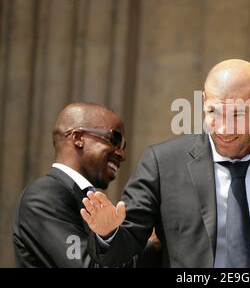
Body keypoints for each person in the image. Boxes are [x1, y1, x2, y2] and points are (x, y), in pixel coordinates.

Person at [82, 59, 250, 268]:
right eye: (214, 112)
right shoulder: (163, 163)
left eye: (237, 114)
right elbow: (125, 247)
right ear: (204, 102)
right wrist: (107, 234)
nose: (223, 128)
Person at [12, 102, 159, 267]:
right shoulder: (44, 195)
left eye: (123, 146)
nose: (122, 154)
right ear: (78, 138)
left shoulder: (81, 196)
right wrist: (152, 245)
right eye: (114, 139)